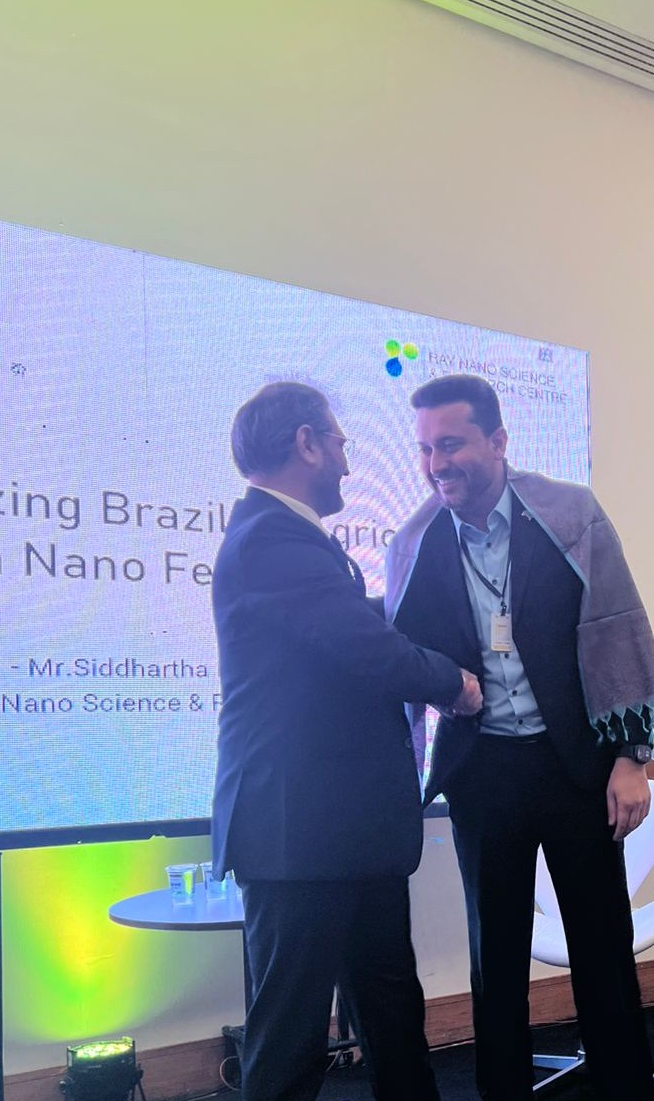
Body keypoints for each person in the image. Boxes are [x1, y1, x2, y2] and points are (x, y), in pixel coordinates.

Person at [385, 373, 654, 1101]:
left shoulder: (571, 515)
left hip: (576, 768)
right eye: (425, 448)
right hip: (483, 774)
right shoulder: (414, 541)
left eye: (451, 444)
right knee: (497, 962)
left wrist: (631, 757)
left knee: (604, 951)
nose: (436, 463)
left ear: (498, 441)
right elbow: (400, 657)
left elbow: (621, 631)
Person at [210, 381, 482, 1101]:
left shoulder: (290, 540)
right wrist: (455, 682)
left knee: (392, 1015)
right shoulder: (270, 537)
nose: (347, 462)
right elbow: (363, 646)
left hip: (347, 834)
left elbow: (348, 627)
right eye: (338, 442)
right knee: (290, 1039)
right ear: (306, 443)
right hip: (298, 837)